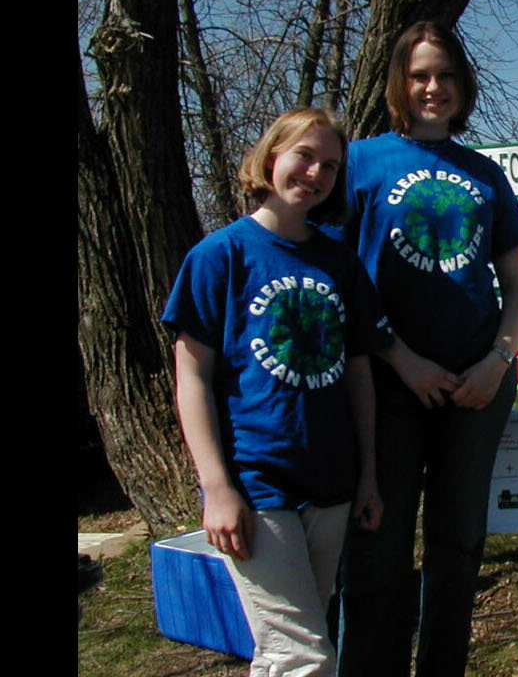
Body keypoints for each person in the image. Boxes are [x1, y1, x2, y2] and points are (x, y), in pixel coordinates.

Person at [326, 21, 518, 677]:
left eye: (444, 74)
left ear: (461, 83)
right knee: (378, 545)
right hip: (387, 385)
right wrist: (398, 357)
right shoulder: (359, 163)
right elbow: (338, 279)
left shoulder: (484, 174)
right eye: (419, 75)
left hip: (475, 386)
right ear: (399, 84)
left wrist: (496, 364)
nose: (432, 87)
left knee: (458, 545)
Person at [163, 108, 391, 676]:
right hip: (257, 484)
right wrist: (216, 487)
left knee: (284, 650)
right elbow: (190, 378)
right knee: (305, 658)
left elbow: (359, 375)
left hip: (333, 483)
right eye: (305, 156)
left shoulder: (340, 262)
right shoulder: (219, 256)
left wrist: (366, 476)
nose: (315, 173)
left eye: (331, 166)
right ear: (271, 158)